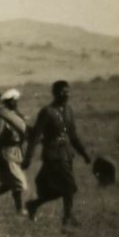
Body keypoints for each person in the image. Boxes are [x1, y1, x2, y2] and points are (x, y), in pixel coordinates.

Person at [23, 80, 95, 226]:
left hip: (66, 154)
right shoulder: (47, 112)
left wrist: (84, 154)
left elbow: (73, 135)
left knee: (57, 189)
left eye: (67, 91)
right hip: (53, 155)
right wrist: (28, 157)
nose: (66, 94)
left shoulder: (69, 111)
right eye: (62, 92)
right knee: (70, 186)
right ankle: (67, 217)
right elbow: (36, 136)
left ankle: (33, 205)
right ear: (55, 93)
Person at [0, 88, 31, 214]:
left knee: (11, 182)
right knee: (19, 181)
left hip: (16, 151)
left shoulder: (13, 116)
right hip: (6, 152)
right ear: (9, 102)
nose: (16, 103)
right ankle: (20, 209)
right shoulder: (2, 117)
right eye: (14, 101)